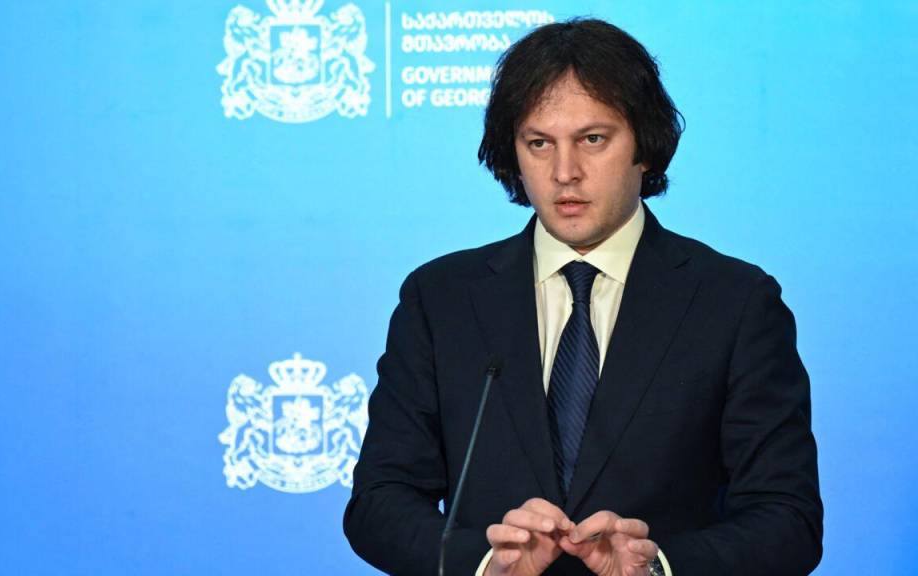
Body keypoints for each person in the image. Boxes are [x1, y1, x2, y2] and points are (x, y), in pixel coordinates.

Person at [344, 18, 822, 576]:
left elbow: (788, 520)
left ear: (645, 145)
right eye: (539, 143)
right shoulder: (441, 299)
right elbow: (379, 503)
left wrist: (659, 566)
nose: (564, 173)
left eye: (592, 139)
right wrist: (485, 562)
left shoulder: (735, 303)